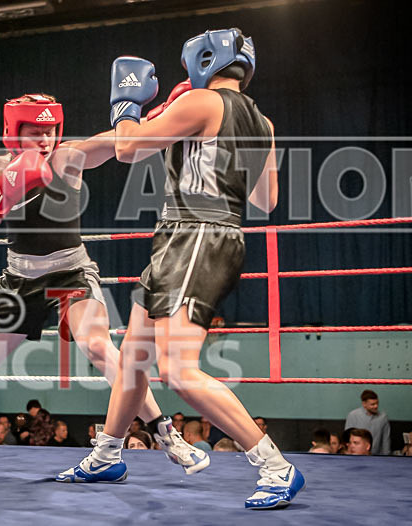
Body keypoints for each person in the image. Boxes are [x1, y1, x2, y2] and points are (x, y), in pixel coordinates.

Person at [57, 28, 303, 510]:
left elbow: (127, 149)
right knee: (133, 356)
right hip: (200, 237)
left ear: (203, 60)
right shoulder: (263, 122)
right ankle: (108, 454)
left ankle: (274, 464)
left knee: (173, 367)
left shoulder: (202, 101)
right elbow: (265, 200)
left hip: (196, 238)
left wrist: (126, 103)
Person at [0, 94, 201, 469]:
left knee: (100, 347)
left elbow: (119, 145)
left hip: (70, 273)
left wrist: (153, 118)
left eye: (51, 130)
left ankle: (165, 433)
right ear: (13, 133)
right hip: (18, 279)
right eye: (35, 131)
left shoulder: (69, 156)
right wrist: (3, 194)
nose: (45, 139)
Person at [345, 390, 390, 455]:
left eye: (377, 403)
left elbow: (386, 440)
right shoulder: (353, 415)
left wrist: (386, 457)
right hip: (356, 456)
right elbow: (347, 438)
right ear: (364, 404)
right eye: (372, 404)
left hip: (376, 457)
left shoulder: (383, 418)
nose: (376, 406)